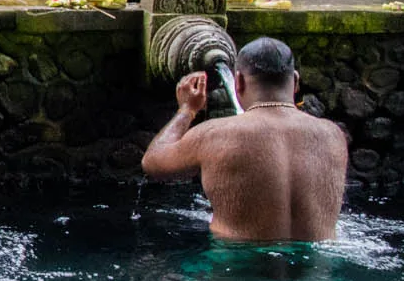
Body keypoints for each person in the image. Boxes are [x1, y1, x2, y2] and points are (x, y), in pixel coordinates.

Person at [140, 36, 348, 243]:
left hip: (238, 267)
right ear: (295, 81)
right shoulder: (333, 135)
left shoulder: (214, 135)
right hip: (316, 272)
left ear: (237, 81)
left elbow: (153, 162)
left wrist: (187, 110)